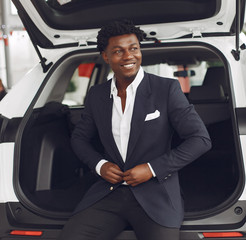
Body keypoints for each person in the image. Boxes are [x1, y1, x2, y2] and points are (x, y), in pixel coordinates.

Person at [59, 20, 212, 240]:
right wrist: (99, 165)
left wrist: (151, 169)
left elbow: (200, 139)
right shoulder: (96, 94)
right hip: (109, 193)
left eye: (134, 49)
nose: (129, 56)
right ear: (106, 56)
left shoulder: (166, 89)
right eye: (118, 51)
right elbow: (79, 138)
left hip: (156, 195)